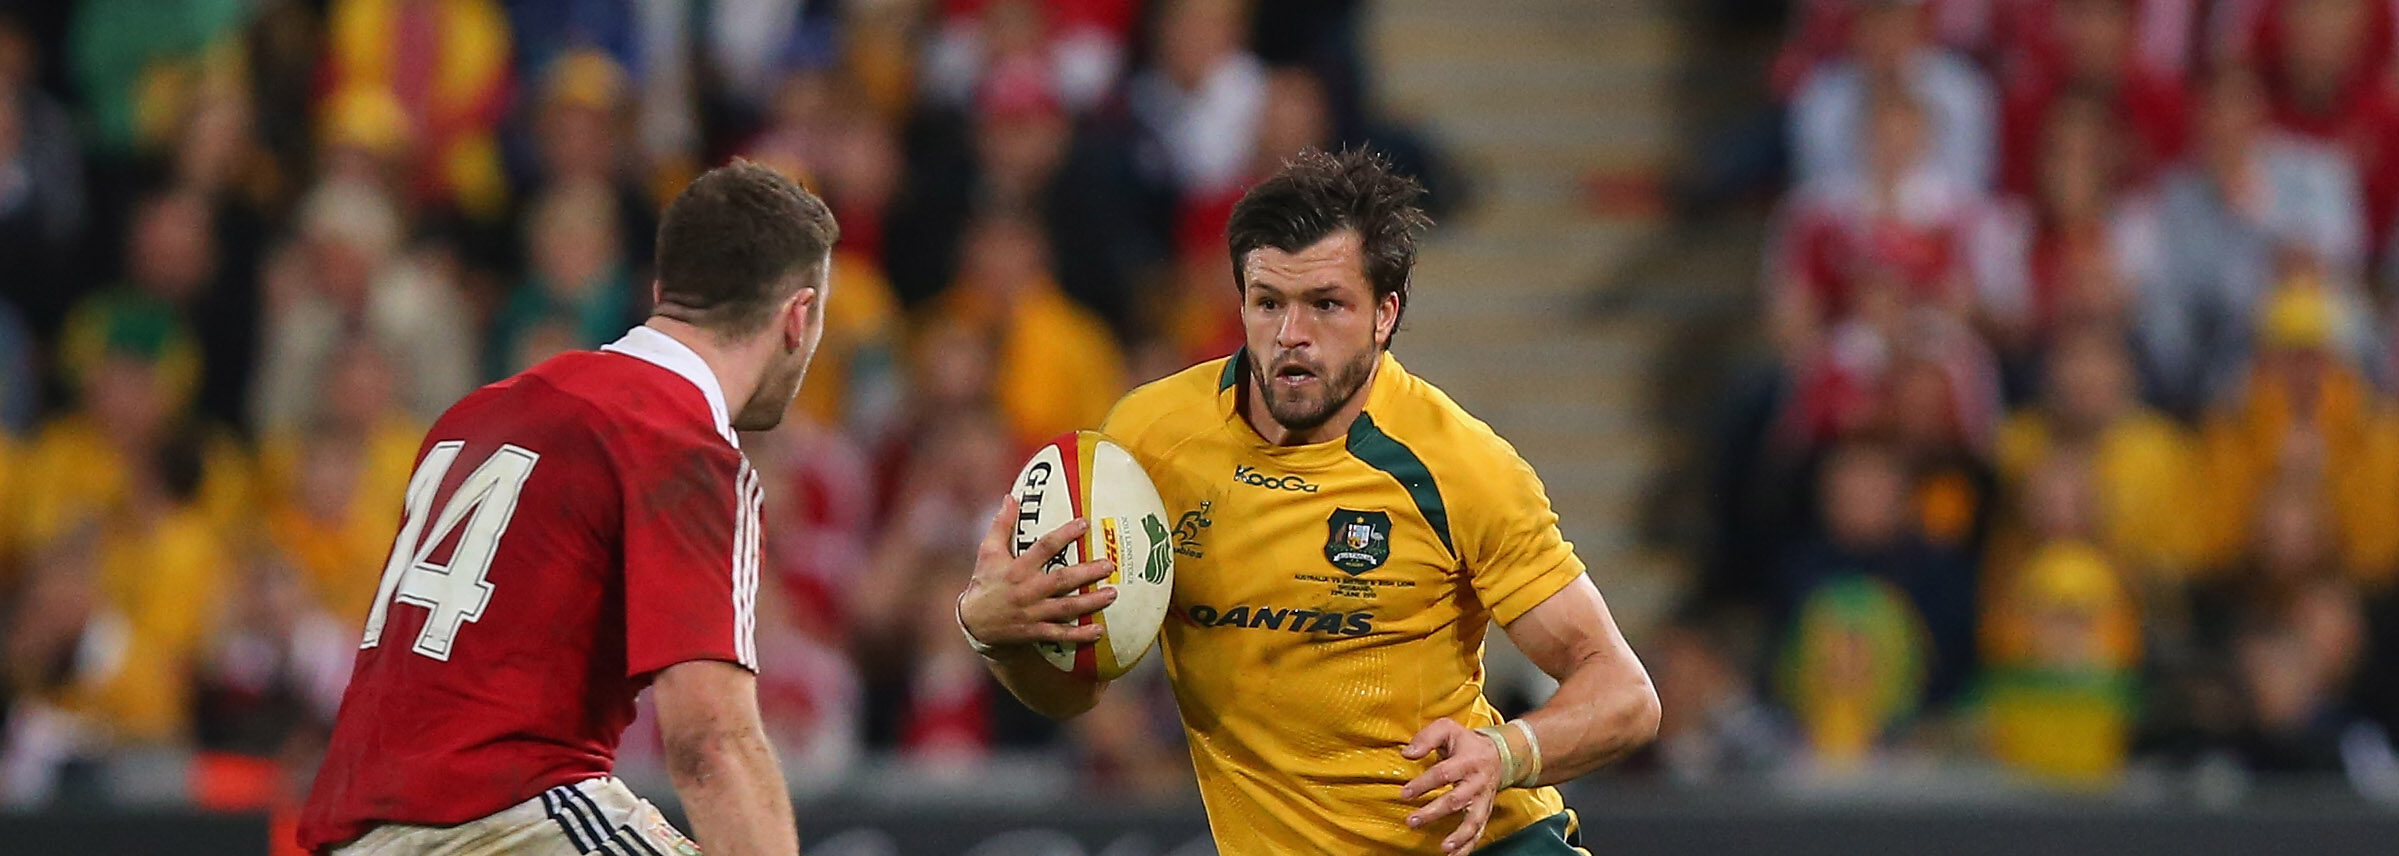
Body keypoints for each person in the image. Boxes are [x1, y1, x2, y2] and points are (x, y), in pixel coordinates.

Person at [956, 148, 1660, 855]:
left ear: (1384, 314)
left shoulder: (1461, 469)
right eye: (1268, 303)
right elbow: (1074, 690)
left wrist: (1504, 754)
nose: (1291, 335)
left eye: (1326, 304)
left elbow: (1624, 696)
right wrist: (1001, 633)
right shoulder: (1148, 444)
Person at [295, 161, 837, 856]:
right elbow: (712, 742)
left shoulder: (477, 414)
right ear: (799, 317)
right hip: (504, 822)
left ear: (662, 292)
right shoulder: (680, 445)